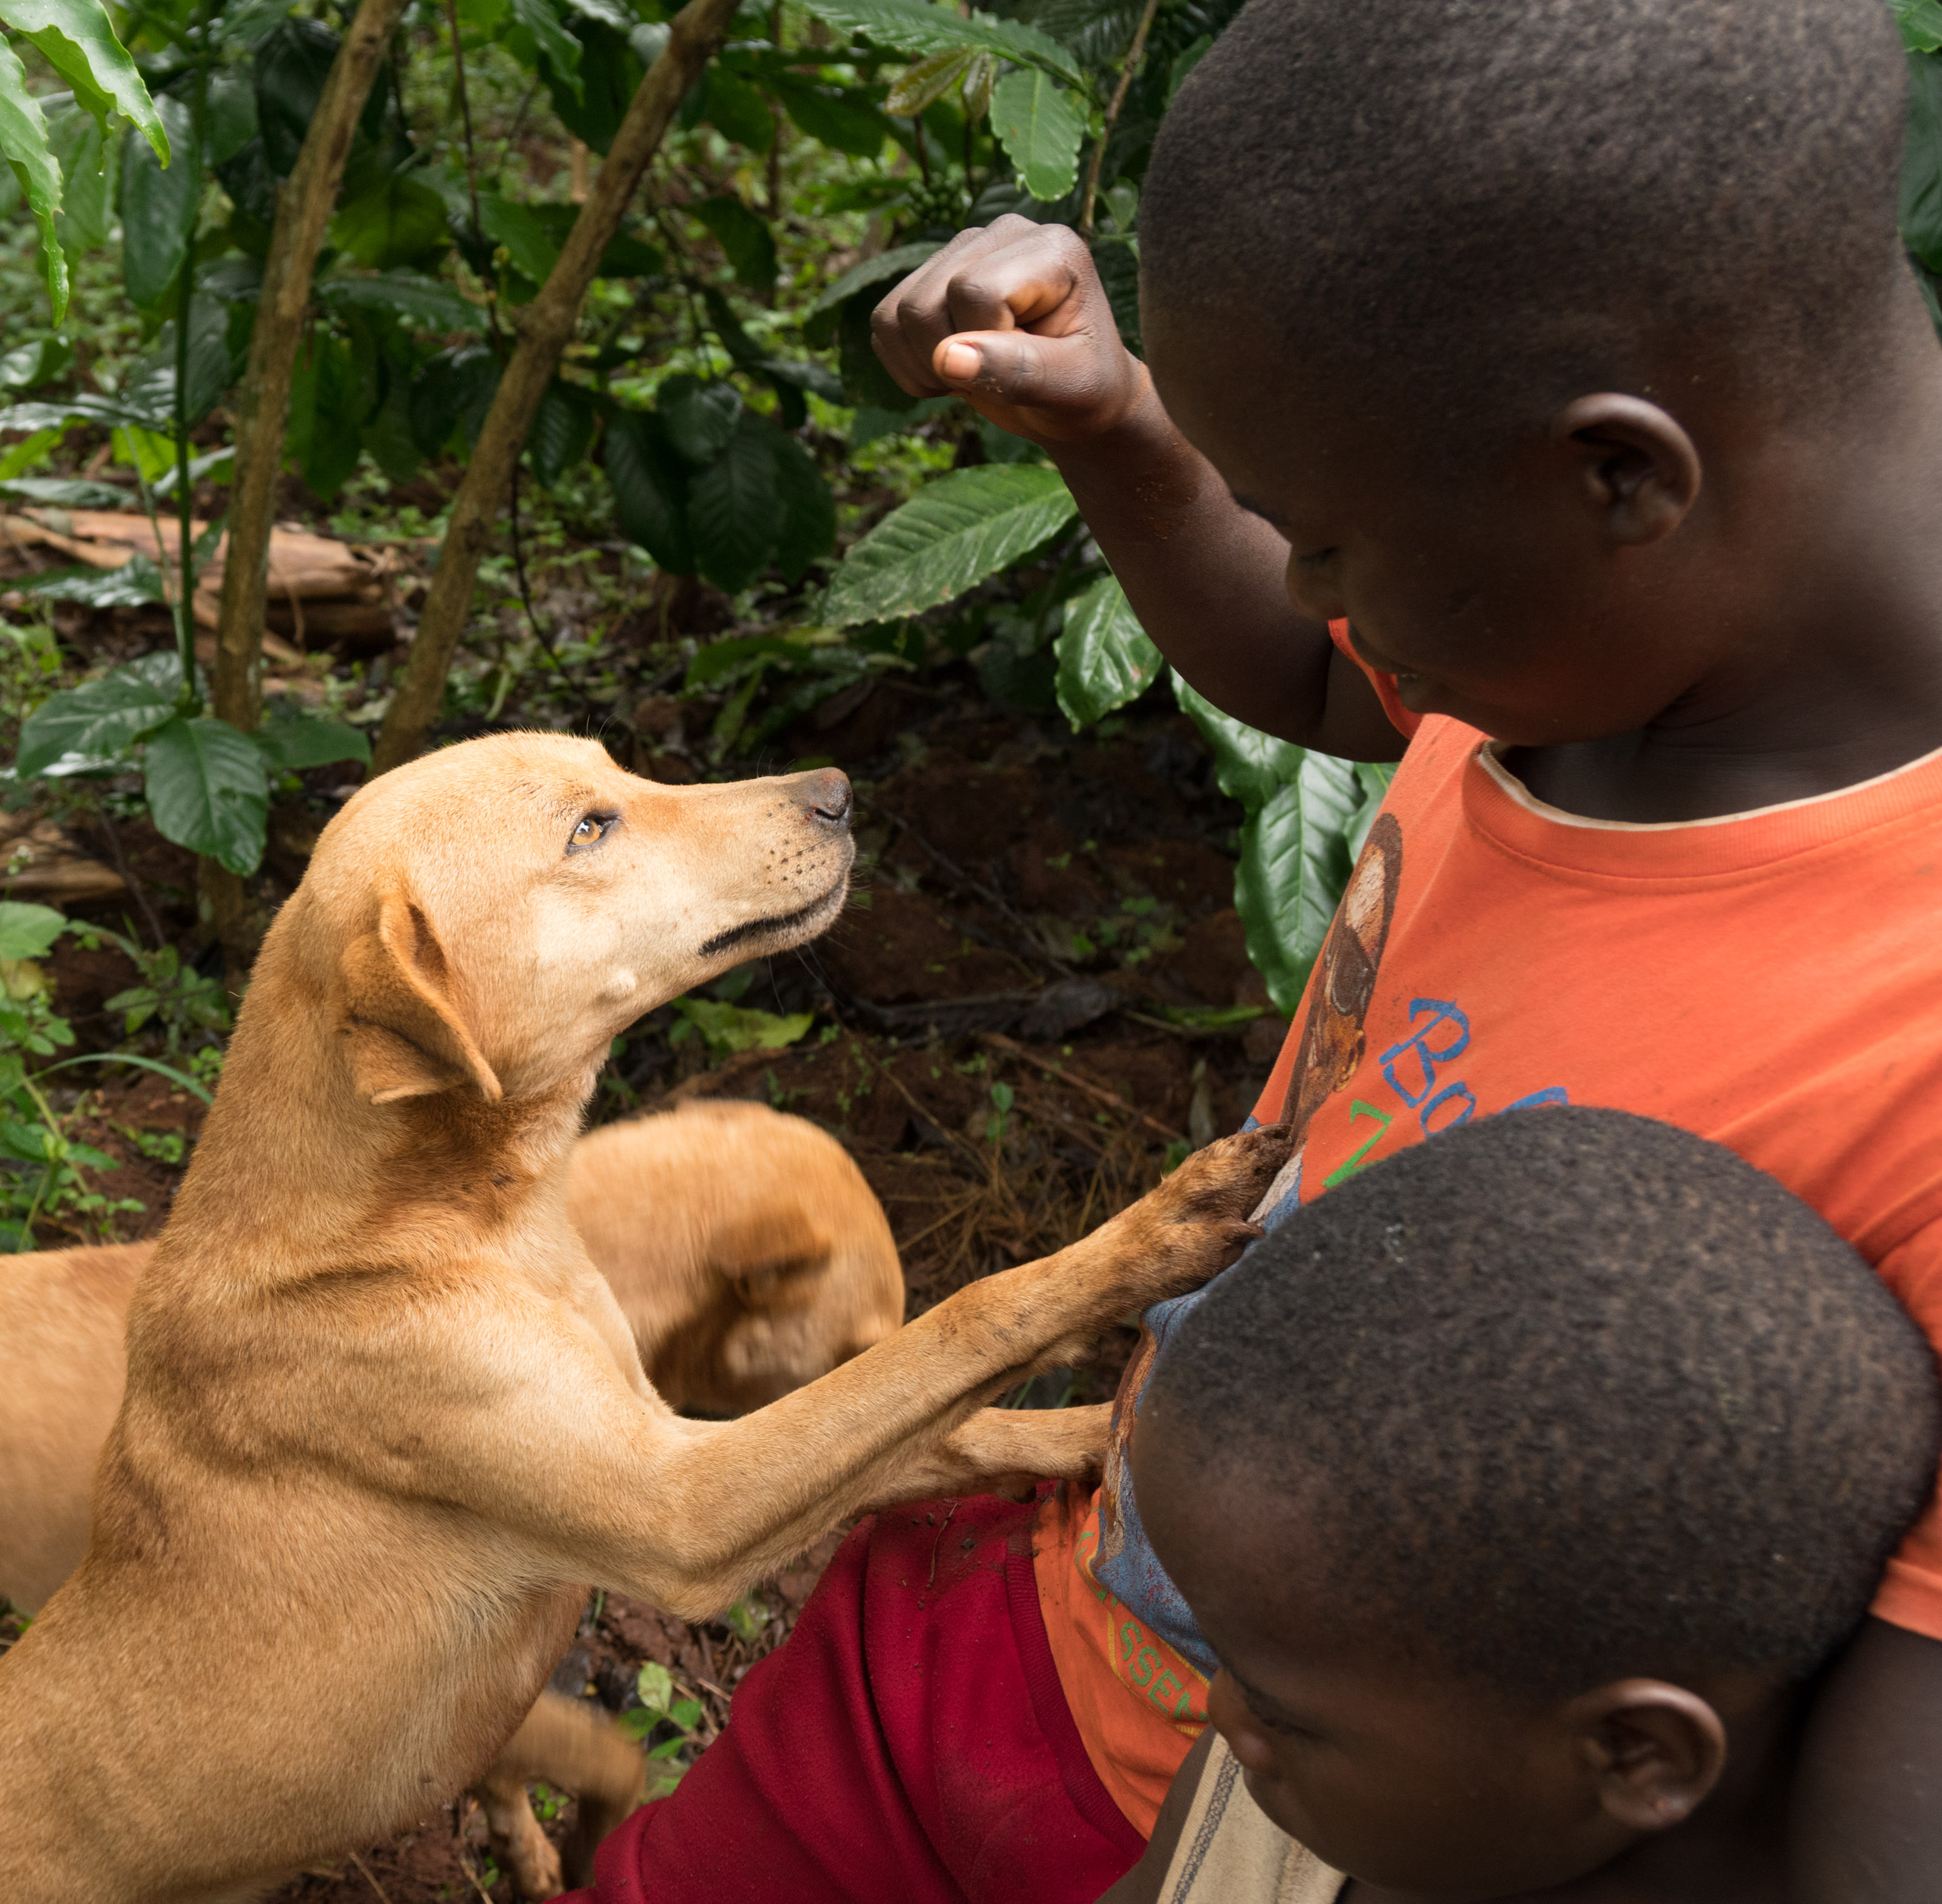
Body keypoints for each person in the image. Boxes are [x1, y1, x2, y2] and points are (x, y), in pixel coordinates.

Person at [571, 0, 1942, 1896]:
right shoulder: (1610, 616)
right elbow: (1323, 674)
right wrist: (1128, 436)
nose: (1309, 591)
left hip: (1296, 1814)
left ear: (1620, 477)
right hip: (1062, 1594)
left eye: (1322, 534)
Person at [1103, 1108, 1941, 1904]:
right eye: (1235, 1663)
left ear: (1634, 1755)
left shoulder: (1322, 1738)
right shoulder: (1311, 1751)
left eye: (1272, 1707)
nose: (1219, 1713)